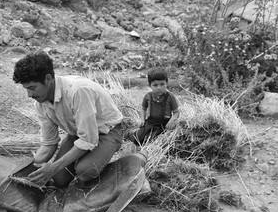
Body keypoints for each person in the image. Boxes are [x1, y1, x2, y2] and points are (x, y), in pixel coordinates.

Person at [12, 51, 124, 188]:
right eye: (26, 89)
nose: (29, 94)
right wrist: (26, 170)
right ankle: (88, 160)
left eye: (32, 88)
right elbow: (49, 144)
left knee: (85, 171)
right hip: (78, 134)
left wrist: (54, 166)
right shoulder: (40, 103)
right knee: (59, 180)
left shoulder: (78, 91)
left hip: (108, 131)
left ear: (48, 78)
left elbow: (88, 140)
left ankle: (119, 172)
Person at [126, 67, 180, 145]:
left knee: (151, 140)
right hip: (150, 123)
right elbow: (143, 108)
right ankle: (129, 134)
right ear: (150, 85)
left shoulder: (170, 97)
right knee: (138, 138)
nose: (159, 88)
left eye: (162, 84)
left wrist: (171, 122)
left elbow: (176, 113)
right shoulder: (148, 96)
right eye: (155, 85)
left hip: (163, 125)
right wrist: (142, 120)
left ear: (167, 83)